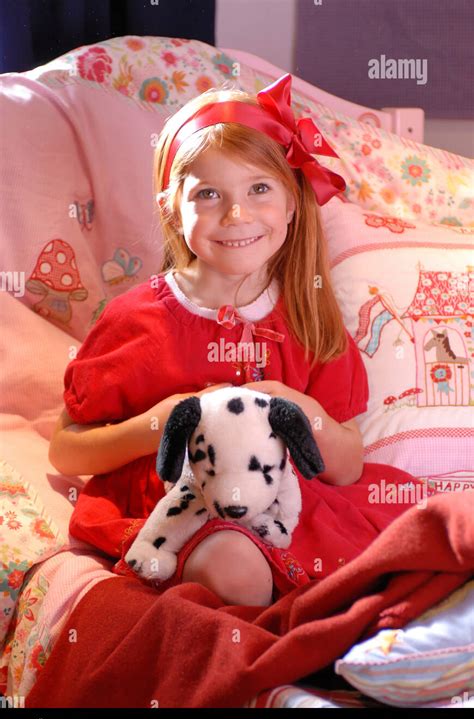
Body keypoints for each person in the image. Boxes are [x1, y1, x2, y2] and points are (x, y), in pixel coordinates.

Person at [49, 74, 424, 607]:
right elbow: (66, 448)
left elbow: (348, 465)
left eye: (259, 189)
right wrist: (161, 422)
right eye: (208, 194)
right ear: (172, 209)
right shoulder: (135, 319)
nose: (236, 215)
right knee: (235, 568)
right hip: (187, 507)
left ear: (292, 204)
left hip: (293, 504)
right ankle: (259, 657)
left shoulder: (310, 318)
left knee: (422, 552)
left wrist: (298, 408)